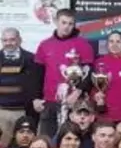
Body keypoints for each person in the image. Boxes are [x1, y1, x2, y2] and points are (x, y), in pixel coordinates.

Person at [33, 9, 95, 138]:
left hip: (74, 102)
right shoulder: (45, 45)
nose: (67, 27)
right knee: (47, 140)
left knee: (73, 140)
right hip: (49, 102)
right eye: (64, 22)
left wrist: (76, 93)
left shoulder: (83, 45)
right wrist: (36, 98)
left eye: (70, 24)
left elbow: (89, 74)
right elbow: (37, 75)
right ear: (56, 22)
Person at [0, 27, 42, 141]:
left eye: (12, 39)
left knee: (25, 145)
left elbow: (38, 84)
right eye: (5, 40)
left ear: (19, 40)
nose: (8, 43)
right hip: (1, 112)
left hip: (24, 112)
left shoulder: (32, 59)